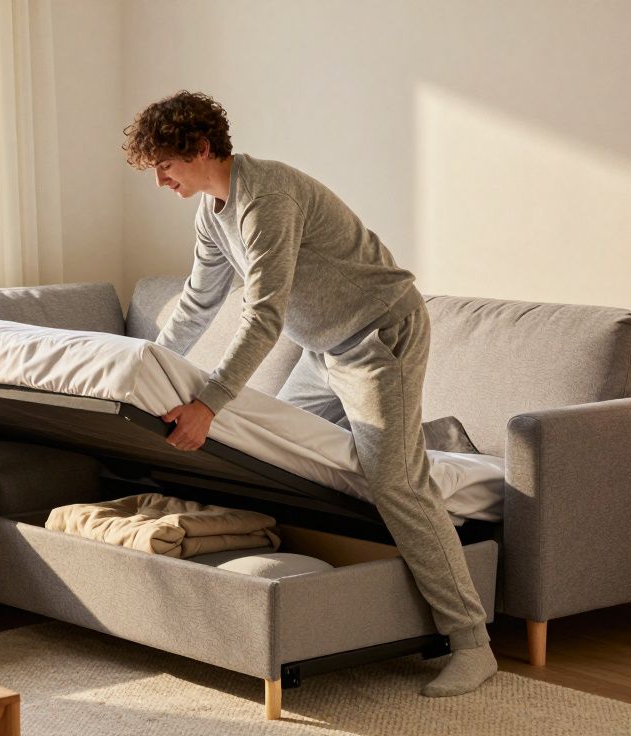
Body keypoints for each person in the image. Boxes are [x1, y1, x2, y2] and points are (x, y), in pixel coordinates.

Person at [122, 90, 496, 697]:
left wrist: (208, 402)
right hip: (322, 350)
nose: (160, 179)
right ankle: (432, 436)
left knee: (395, 483)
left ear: (199, 147)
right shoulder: (212, 212)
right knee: (281, 456)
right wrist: (146, 367)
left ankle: (472, 643)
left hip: (378, 339)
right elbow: (198, 302)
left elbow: (262, 317)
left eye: (165, 164)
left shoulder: (266, 200)